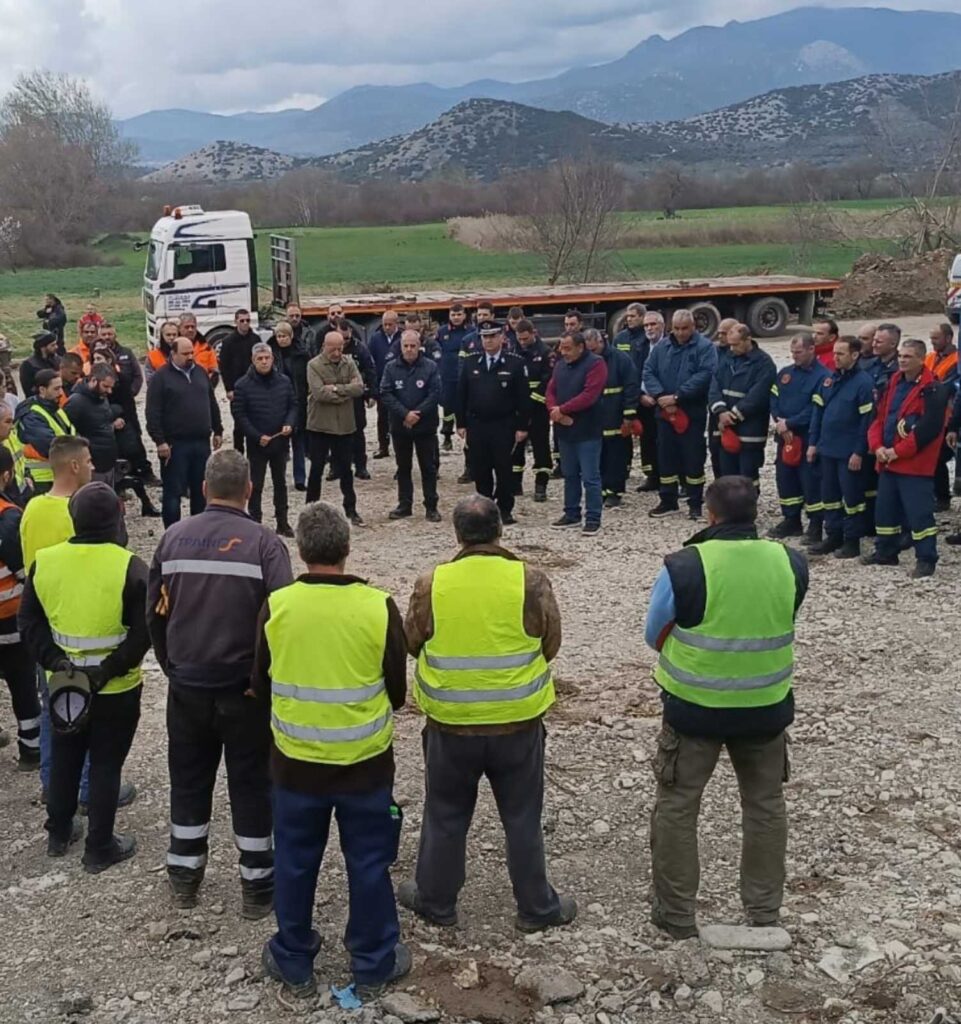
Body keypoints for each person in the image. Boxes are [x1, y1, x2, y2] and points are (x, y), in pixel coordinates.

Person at [253, 501, 410, 1000]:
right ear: (347, 548)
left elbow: (259, 680)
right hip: (365, 766)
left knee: (296, 862)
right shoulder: (378, 606)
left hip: (296, 766)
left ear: (300, 551)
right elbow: (398, 690)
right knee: (368, 862)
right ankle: (373, 960)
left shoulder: (278, 606)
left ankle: (294, 959)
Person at [401, 494, 575, 932]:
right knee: (521, 815)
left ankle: (437, 901)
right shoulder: (530, 580)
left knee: (444, 813)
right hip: (517, 723)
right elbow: (550, 643)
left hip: (450, 725)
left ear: (457, 534)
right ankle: (536, 908)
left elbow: (412, 642)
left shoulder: (431, 583)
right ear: (500, 530)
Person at [644, 476, 807, 938]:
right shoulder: (790, 561)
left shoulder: (685, 564)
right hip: (766, 707)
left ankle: (675, 916)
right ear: (755, 514)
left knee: (677, 805)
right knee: (765, 806)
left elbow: (654, 632)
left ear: (710, 515)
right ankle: (764, 912)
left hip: (694, 709)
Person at [148, 450, 293, 916]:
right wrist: (264, 682)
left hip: (187, 685)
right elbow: (283, 621)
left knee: (188, 779)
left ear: (205, 488)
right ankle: (257, 887)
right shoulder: (265, 545)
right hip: (244, 691)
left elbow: (155, 613)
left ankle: (185, 877)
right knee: (251, 783)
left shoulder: (173, 539)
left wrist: (172, 665)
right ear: (249, 490)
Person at [20, 482, 149, 872]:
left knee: (64, 757)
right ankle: (100, 846)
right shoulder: (130, 566)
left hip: (64, 684)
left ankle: (59, 833)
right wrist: (106, 670)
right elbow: (144, 632)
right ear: (117, 519)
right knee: (107, 763)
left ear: (73, 519)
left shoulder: (45, 561)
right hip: (116, 687)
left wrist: (58, 663)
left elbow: (29, 623)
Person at [863, 338, 949, 578]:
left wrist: (896, 452)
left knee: (919, 514)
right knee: (885, 512)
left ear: (922, 359)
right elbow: (879, 418)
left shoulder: (933, 389)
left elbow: (927, 430)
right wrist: (877, 445)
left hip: (914, 466)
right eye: (901, 355)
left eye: (908, 356)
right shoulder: (894, 382)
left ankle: (926, 559)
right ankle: (886, 552)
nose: (901, 359)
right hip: (889, 461)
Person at [642, 310, 718, 520]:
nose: (681, 332)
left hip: (691, 412)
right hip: (664, 413)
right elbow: (648, 371)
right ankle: (668, 500)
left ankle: (695, 502)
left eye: (685, 328)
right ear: (670, 327)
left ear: (694, 327)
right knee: (666, 457)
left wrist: (677, 397)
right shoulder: (662, 347)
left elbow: (705, 375)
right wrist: (660, 396)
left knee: (693, 459)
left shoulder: (705, 347)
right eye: (676, 328)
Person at [807, 336, 875, 559]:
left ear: (855, 355)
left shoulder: (863, 383)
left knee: (852, 498)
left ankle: (852, 540)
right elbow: (818, 413)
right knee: (830, 496)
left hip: (848, 453)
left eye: (840, 354)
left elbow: (866, 422)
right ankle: (833, 535)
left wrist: (858, 451)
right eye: (834, 353)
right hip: (827, 449)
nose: (834, 358)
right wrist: (813, 443)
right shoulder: (829, 380)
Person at [146, 336, 224, 527]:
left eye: (192, 353)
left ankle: (197, 532)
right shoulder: (161, 378)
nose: (190, 357)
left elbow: (211, 403)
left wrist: (218, 429)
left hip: (201, 443)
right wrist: (160, 441)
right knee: (173, 493)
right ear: (173, 354)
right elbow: (153, 412)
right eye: (185, 353)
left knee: (200, 491)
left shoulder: (200, 373)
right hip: (175, 445)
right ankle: (172, 533)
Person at [456, 323, 529, 526]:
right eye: (484, 337)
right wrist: (460, 423)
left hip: (503, 425)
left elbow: (523, 398)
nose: (488, 340)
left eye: (492, 336)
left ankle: (505, 509)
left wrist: (523, 426)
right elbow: (461, 394)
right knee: (480, 468)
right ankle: (484, 510)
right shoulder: (471, 363)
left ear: (502, 337)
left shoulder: (514, 363)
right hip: (477, 424)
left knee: (504, 469)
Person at [0, 447, 41, 769]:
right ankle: (31, 747)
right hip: (8, 618)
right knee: (22, 683)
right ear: (6, 475)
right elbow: (22, 571)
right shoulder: (9, 516)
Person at [768, 332, 829, 542]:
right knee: (785, 479)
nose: (794, 356)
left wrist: (790, 423)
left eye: (799, 352)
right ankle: (791, 520)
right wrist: (779, 421)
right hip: (785, 437)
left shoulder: (823, 376)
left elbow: (815, 409)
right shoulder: (786, 373)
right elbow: (774, 397)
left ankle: (815, 524)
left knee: (810, 482)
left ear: (812, 349)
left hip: (805, 438)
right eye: (792, 352)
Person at [231, 343, 295, 535]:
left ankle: (282, 522)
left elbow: (293, 405)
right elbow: (239, 416)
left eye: (267, 358)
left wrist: (289, 424)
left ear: (272, 358)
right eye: (260, 358)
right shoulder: (242, 385)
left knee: (280, 483)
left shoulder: (284, 381)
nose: (264, 361)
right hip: (257, 444)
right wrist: (257, 436)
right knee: (256, 485)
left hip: (280, 442)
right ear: (253, 360)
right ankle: (255, 522)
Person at [546, 331, 607, 533]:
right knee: (570, 474)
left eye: (567, 348)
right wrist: (555, 412)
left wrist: (563, 410)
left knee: (590, 477)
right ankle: (571, 513)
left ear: (580, 347)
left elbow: (589, 395)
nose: (563, 352)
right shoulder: (561, 365)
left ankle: (593, 518)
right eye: (561, 348)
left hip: (588, 430)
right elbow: (550, 390)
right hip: (565, 431)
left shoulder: (596, 364)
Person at [380, 330, 442, 521]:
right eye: (405, 346)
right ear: (401, 346)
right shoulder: (391, 367)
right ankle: (404, 505)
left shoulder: (430, 366)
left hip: (426, 427)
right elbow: (386, 393)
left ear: (419, 346)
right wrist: (405, 413)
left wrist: (418, 413)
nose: (409, 349)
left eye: (413, 345)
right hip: (401, 427)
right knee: (403, 467)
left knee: (428, 468)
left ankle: (431, 506)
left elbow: (435, 393)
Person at [305, 331, 364, 526]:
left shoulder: (349, 362)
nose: (337, 353)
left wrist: (337, 388)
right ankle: (310, 511)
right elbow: (319, 393)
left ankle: (351, 509)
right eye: (333, 349)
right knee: (316, 470)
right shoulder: (313, 365)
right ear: (324, 346)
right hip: (320, 426)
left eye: (340, 348)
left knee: (347, 470)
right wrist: (346, 390)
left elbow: (359, 388)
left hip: (345, 426)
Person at [708, 323, 776, 488]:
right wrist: (720, 410)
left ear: (748, 340)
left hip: (750, 430)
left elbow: (758, 395)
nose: (732, 348)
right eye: (730, 344)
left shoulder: (764, 363)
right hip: (726, 428)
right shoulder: (727, 359)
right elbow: (714, 386)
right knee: (726, 473)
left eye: (736, 344)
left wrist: (732, 416)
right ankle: (729, 509)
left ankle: (747, 509)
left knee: (747, 475)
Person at [584, 328, 639, 510]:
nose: (591, 353)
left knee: (616, 457)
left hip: (615, 417)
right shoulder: (585, 361)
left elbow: (631, 386)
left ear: (601, 342)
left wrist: (629, 414)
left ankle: (614, 492)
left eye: (594, 349)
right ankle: (600, 491)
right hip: (594, 419)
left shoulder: (620, 359)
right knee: (597, 458)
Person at [511, 319, 554, 502]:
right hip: (518, 409)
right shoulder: (513, 351)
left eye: (525, 338)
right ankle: (515, 484)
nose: (522, 342)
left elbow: (549, 381)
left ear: (533, 333)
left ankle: (541, 485)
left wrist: (532, 400)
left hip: (538, 408)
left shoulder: (545, 352)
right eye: (519, 339)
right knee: (515, 448)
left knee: (541, 447)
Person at [16, 370, 76, 494]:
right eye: (56, 389)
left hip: (58, 474)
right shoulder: (31, 415)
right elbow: (50, 446)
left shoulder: (54, 408)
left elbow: (71, 433)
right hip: (41, 479)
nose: (61, 393)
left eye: (61, 388)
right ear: (42, 390)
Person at [64, 364, 122, 487]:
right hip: (91, 466)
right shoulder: (76, 402)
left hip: (108, 462)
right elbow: (67, 434)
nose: (109, 391)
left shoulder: (101, 397)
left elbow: (101, 423)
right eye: (105, 386)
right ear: (93, 380)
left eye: (111, 387)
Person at [268, 320, 310, 492]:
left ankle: (300, 478)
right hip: (278, 403)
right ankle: (279, 477)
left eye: (284, 336)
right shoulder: (270, 354)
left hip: (298, 400)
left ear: (291, 337)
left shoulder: (302, 354)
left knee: (299, 442)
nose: (281, 339)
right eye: (279, 336)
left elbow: (307, 377)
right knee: (280, 444)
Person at [924, 322, 958, 511]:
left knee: (939, 457)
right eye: (931, 338)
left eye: (936, 338)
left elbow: (946, 387)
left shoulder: (956, 360)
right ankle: (939, 495)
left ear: (948, 338)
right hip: (933, 415)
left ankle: (943, 497)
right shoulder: (930, 357)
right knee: (934, 457)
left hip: (948, 417)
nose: (933, 342)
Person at [218, 310, 259, 453]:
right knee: (239, 424)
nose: (245, 323)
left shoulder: (255, 339)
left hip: (254, 388)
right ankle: (239, 454)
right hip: (236, 389)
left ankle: (254, 455)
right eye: (242, 320)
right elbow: (223, 366)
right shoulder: (228, 341)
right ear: (235, 322)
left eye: (248, 320)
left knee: (255, 422)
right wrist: (228, 389)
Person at [635, 310, 667, 492]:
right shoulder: (640, 346)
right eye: (646, 325)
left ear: (662, 325)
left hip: (663, 401)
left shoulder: (669, 345)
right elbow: (634, 373)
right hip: (644, 401)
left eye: (653, 324)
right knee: (647, 441)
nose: (649, 328)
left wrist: (658, 396)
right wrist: (640, 395)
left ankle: (669, 477)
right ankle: (652, 476)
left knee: (664, 441)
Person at [341, 331, 376, 481]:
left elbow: (370, 370)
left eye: (347, 338)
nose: (345, 342)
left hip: (356, 396)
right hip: (336, 397)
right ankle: (337, 467)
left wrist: (371, 394)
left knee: (358, 431)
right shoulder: (327, 348)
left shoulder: (360, 348)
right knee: (335, 435)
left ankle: (361, 466)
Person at [368, 310, 402, 459]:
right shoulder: (375, 339)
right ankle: (383, 446)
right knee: (382, 417)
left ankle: (400, 446)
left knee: (399, 418)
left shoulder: (403, 337)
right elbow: (370, 364)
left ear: (396, 323)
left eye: (390, 324)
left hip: (400, 385)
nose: (387, 327)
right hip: (383, 384)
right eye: (384, 324)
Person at [436, 304, 470, 452]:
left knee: (467, 407)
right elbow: (436, 351)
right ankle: (447, 437)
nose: (456, 318)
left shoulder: (472, 331)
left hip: (466, 377)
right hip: (448, 376)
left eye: (459, 314)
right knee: (448, 408)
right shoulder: (442, 332)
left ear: (464, 315)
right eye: (453, 315)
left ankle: (469, 438)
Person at [707, 318, 738, 480]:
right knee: (715, 449)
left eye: (724, 333)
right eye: (719, 333)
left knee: (733, 454)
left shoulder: (740, 356)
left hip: (735, 416)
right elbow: (713, 383)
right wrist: (718, 410)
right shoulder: (714, 352)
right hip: (716, 412)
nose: (720, 337)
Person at [179, 313, 219, 385]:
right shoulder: (173, 347)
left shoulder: (207, 348)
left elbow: (214, 372)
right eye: (187, 327)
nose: (190, 330)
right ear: (179, 328)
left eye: (193, 327)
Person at [20, 332, 61, 397]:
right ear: (43, 347)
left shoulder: (57, 360)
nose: (56, 347)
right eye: (52, 345)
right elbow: (28, 390)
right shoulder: (28, 365)